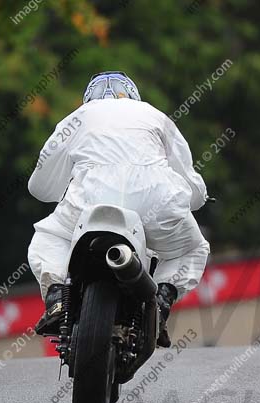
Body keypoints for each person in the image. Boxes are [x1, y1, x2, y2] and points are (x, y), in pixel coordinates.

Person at [26, 71, 210, 347]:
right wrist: (199, 197)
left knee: (50, 239)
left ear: (88, 98)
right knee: (192, 250)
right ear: (134, 97)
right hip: (156, 203)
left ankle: (56, 300)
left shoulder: (77, 118)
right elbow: (191, 184)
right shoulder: (155, 115)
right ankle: (161, 303)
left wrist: (66, 187)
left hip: (89, 203)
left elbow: (39, 187)